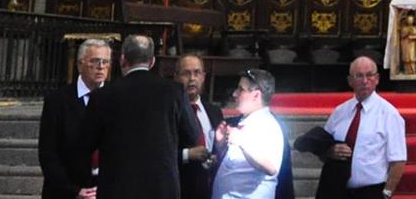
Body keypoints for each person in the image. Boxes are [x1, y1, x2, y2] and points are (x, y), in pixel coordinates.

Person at [86, 34, 209, 199]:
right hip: (161, 190)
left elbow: (85, 144)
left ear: (122, 60)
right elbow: (192, 135)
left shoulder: (102, 96)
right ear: (152, 62)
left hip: (117, 189)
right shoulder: (175, 92)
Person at [318, 56, 407, 199]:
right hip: (336, 190)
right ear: (350, 81)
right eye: (359, 76)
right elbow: (323, 147)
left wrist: (387, 193)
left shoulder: (389, 114)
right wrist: (329, 151)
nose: (365, 81)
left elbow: (398, 160)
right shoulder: (339, 112)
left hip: (370, 192)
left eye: (369, 75)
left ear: (377, 79)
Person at [40, 38, 109, 199]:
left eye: (105, 61)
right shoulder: (57, 101)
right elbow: (48, 153)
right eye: (95, 61)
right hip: (66, 191)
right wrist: (74, 191)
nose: (101, 66)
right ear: (80, 64)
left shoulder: (118, 99)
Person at [211, 68, 287, 199]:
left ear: (256, 95)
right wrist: (221, 145)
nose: (235, 94)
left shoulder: (268, 126)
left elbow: (271, 168)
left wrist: (241, 142)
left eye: (241, 90)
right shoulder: (246, 121)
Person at [179, 52, 225, 199]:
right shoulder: (169, 112)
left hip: (211, 188)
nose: (192, 78)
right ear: (176, 77)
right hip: (181, 188)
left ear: (203, 77)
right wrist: (187, 154)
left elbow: (218, 148)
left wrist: (220, 150)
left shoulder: (214, 111)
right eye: (186, 73)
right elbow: (161, 153)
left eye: (197, 73)